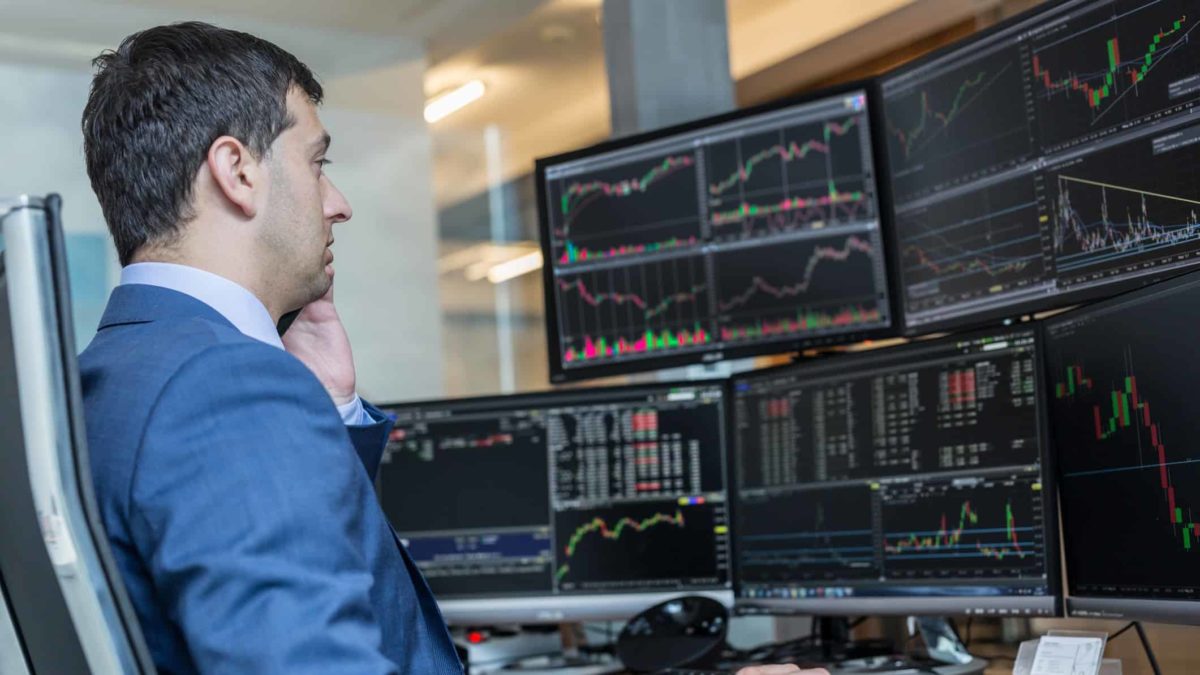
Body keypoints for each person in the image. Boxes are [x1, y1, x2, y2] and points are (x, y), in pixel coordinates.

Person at [79, 20, 825, 675]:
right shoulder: (228, 386)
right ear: (236, 170)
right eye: (317, 162)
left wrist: (332, 412)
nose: (338, 203)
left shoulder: (113, 375)